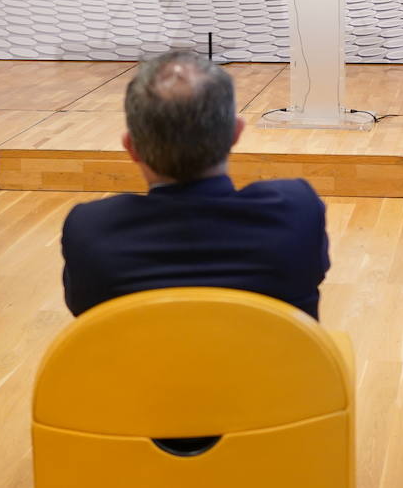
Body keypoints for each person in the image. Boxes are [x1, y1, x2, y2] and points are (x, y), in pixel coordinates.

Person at [61, 50, 330, 318]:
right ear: (235, 133)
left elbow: (81, 308)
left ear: (131, 147)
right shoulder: (297, 209)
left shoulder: (89, 229)